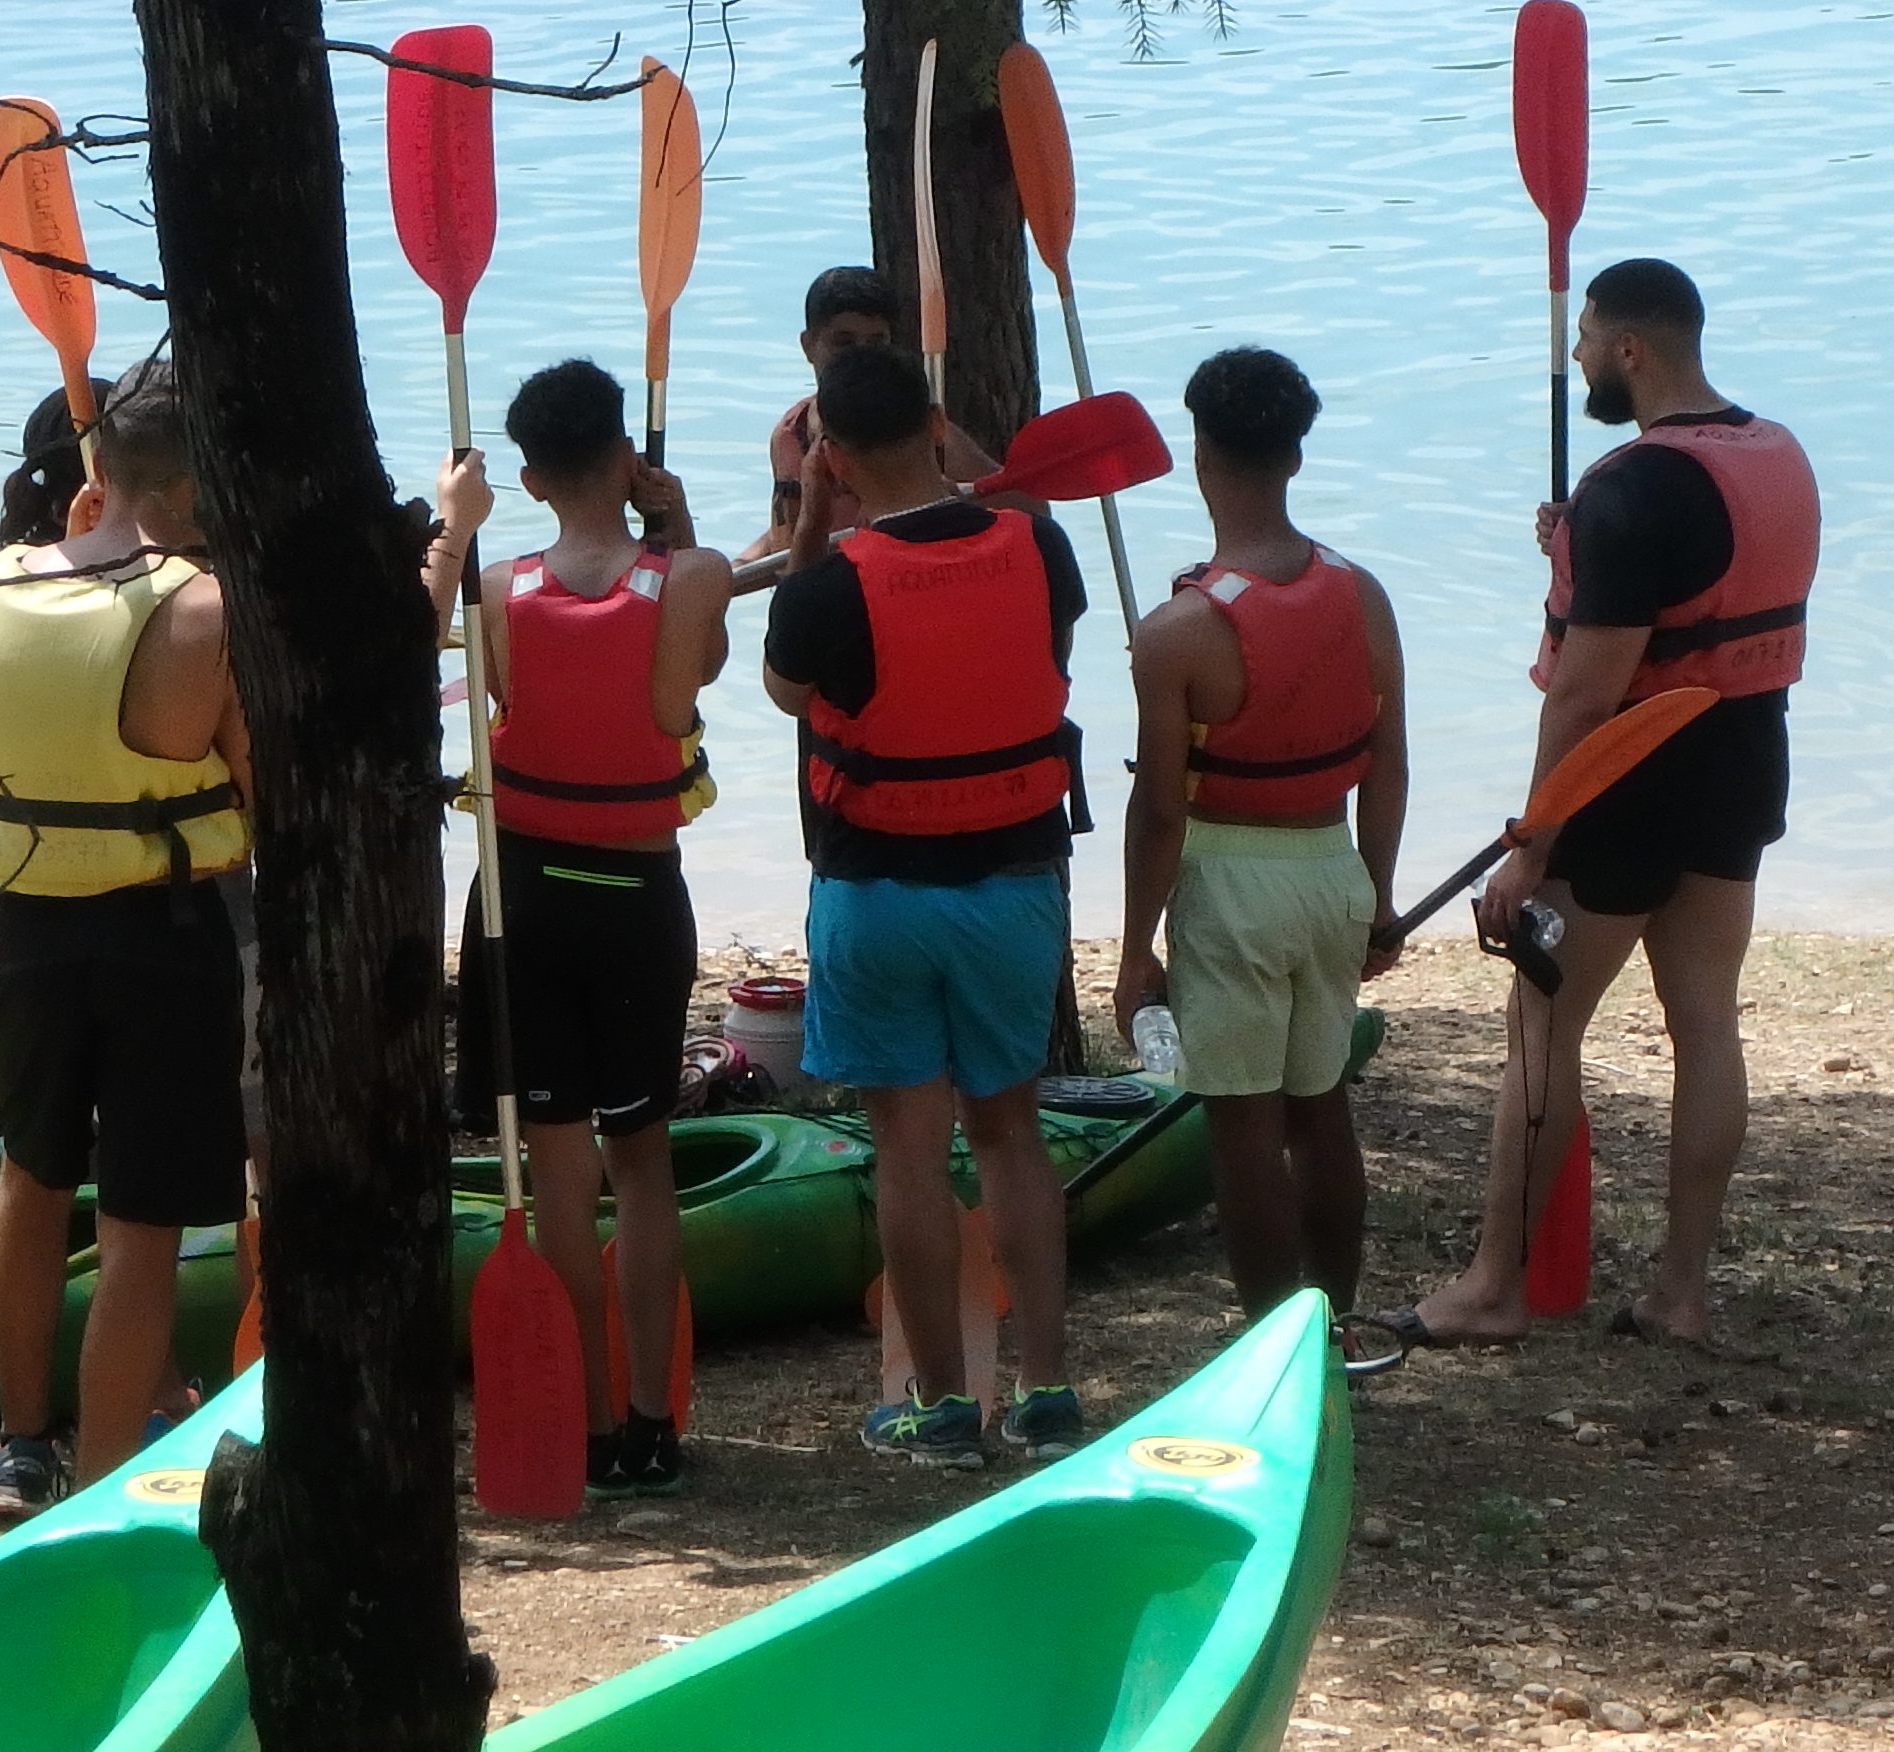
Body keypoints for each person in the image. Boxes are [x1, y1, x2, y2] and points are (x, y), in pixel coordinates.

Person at [1405, 255, 1813, 1353]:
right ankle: (1681, 1291)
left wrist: (1530, 845)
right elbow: (1694, 580)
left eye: (1584, 337)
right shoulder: (1774, 450)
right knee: (1706, 1022)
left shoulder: (1629, 489)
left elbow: (1586, 691)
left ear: (1629, 348)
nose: (1577, 355)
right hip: (1739, 759)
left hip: (1626, 776)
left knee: (1542, 1020)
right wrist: (1579, 550)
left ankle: (1495, 1287)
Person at [761, 341, 1091, 1468]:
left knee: (907, 1147)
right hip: (1012, 886)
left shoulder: (831, 583)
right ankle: (1046, 1386)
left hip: (877, 892)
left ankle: (942, 1405)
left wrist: (811, 529)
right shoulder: (1037, 540)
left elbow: (786, 692)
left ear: (835, 462)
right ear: (941, 427)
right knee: (1010, 1132)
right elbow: (1047, 645)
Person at [426, 357, 736, 1498]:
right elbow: (693, 675)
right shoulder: (691, 574)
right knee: (640, 1165)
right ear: (625, 456)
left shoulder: (497, 589)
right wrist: (676, 519)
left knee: (557, 1173)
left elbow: (423, 642)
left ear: (527, 477)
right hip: (636, 902)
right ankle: (651, 1424)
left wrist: (455, 531)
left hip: (524, 903)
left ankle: (595, 1428)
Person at [0, 372, 256, 1521]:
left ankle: (16, 1449)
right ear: (189, 484)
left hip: (27, 931)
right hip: (161, 934)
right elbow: (252, 792)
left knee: (30, 1179)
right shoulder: (201, 606)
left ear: (101, 476)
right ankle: (94, 1485)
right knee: (141, 1220)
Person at [1115, 345, 1410, 1319]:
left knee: (1243, 1127)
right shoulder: (1361, 594)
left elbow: (1159, 813)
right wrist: (1379, 894)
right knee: (1321, 1108)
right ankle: (1330, 1325)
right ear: (1294, 456)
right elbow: (1389, 766)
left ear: (1201, 454)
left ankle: (1267, 1344)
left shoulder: (1176, 633)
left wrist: (1133, 951)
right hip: (1332, 872)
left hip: (1232, 884)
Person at [750, 267, 995, 569]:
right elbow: (784, 533)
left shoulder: (915, 431)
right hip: (821, 598)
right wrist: (739, 563)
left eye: (876, 342)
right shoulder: (790, 433)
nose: (861, 358)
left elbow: (1027, 504)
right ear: (808, 345)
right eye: (844, 342)